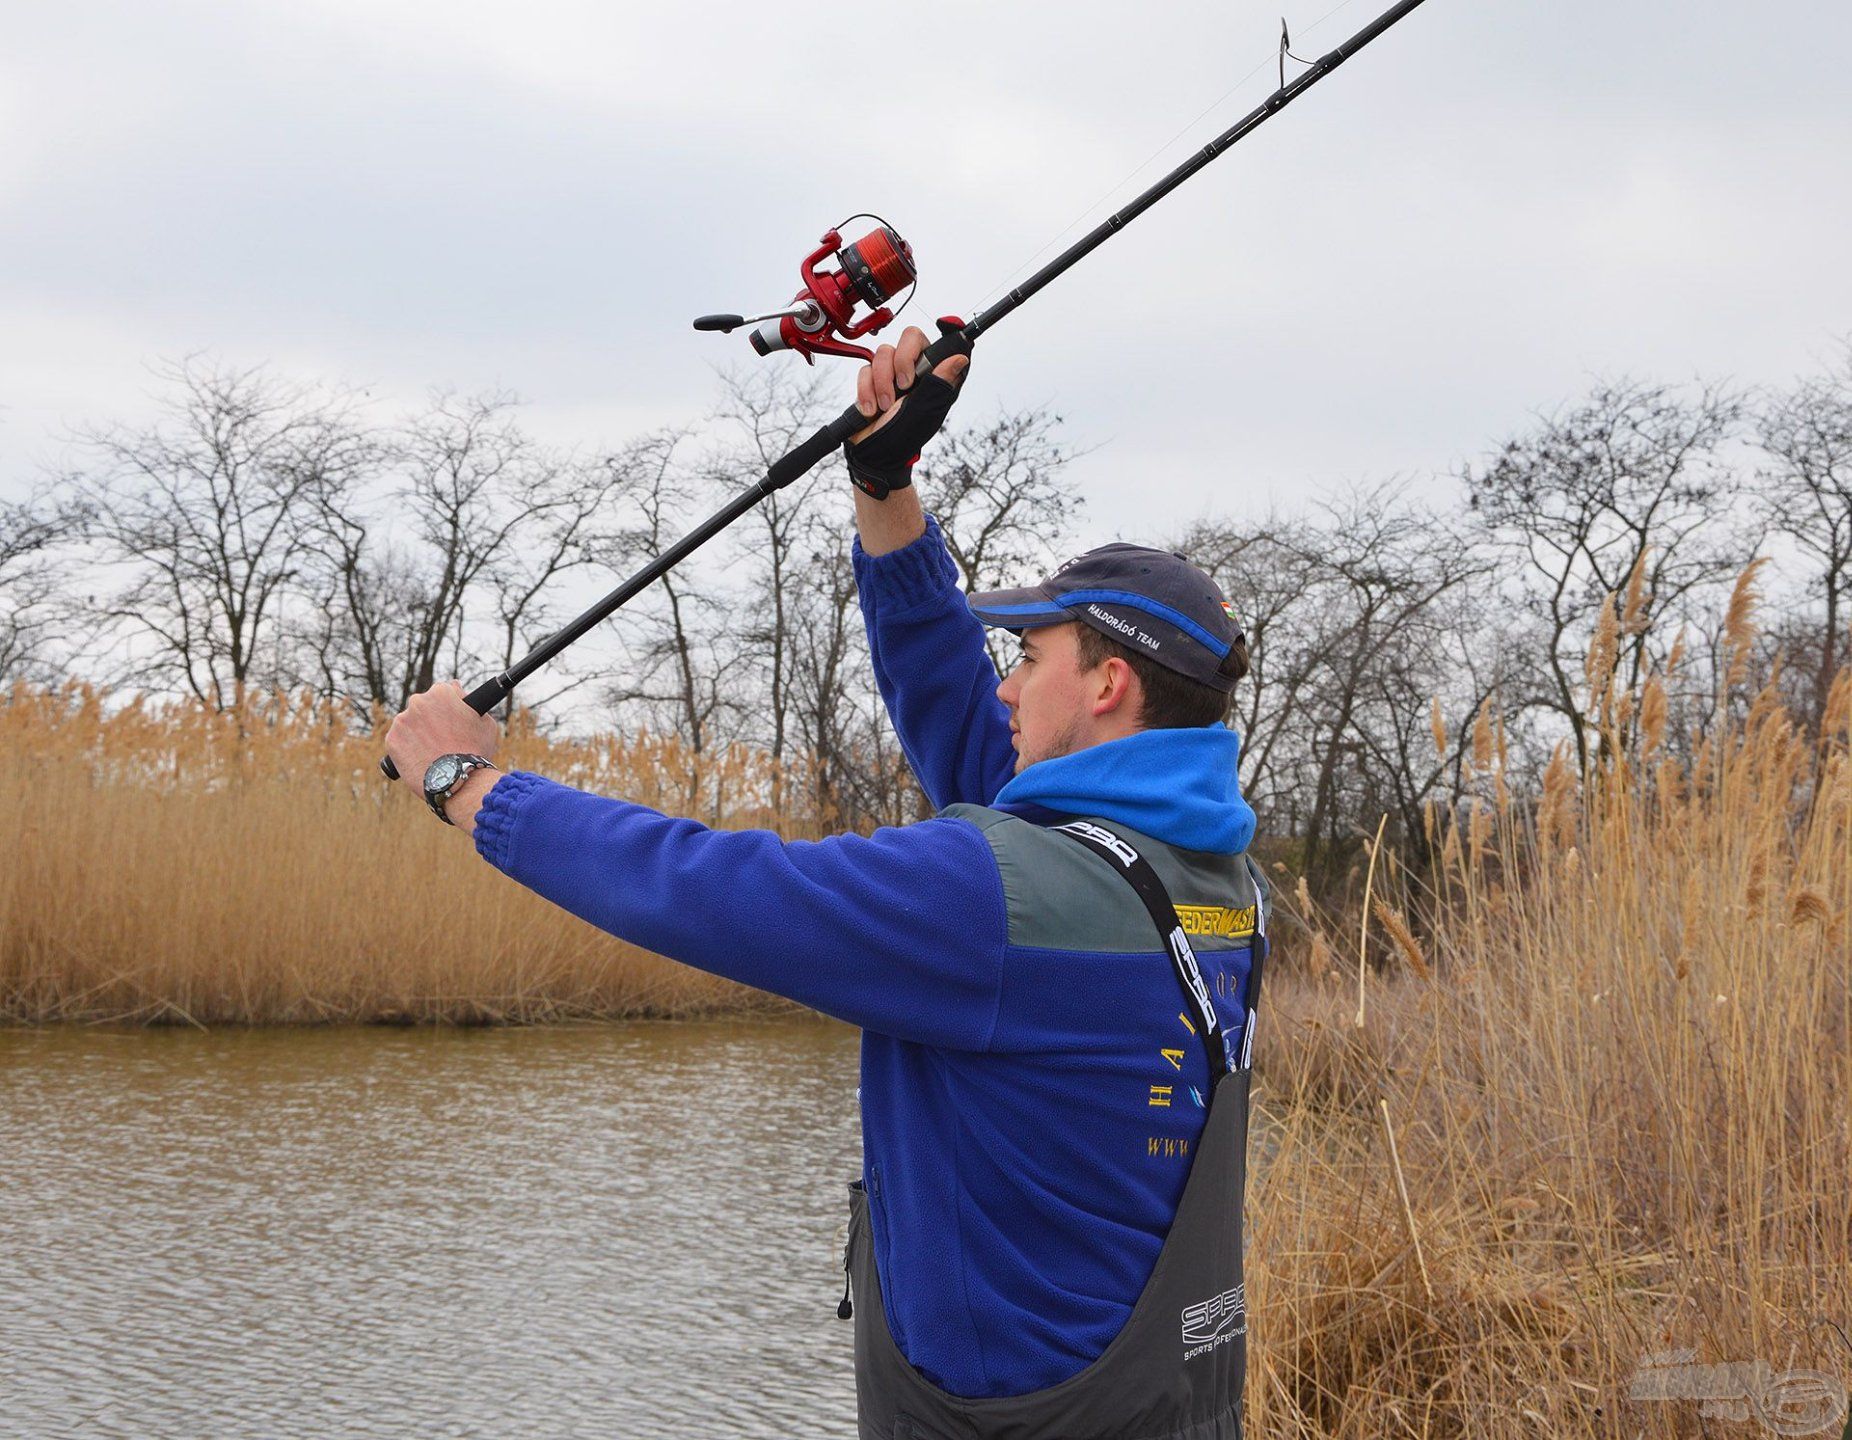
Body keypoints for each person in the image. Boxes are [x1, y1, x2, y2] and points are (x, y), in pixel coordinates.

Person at [386, 326, 1268, 1440]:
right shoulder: (1210, 880)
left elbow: (708, 886)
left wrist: (471, 785)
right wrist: (881, 486)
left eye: (1027, 659)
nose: (1001, 689)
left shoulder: (986, 901)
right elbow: (976, 747)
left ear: (1106, 683)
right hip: (1172, 1405)